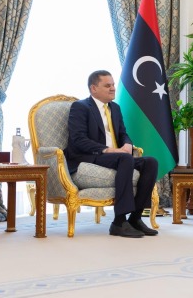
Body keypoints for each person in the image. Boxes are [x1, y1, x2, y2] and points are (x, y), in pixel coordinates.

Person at [65, 70, 160, 238]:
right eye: (107, 85)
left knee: (150, 162)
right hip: (90, 156)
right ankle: (119, 221)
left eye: (113, 84)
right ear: (94, 88)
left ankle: (135, 218)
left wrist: (127, 144)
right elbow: (78, 139)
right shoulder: (80, 107)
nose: (113, 88)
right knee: (125, 159)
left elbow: (123, 133)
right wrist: (108, 149)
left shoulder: (115, 108)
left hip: (116, 156)